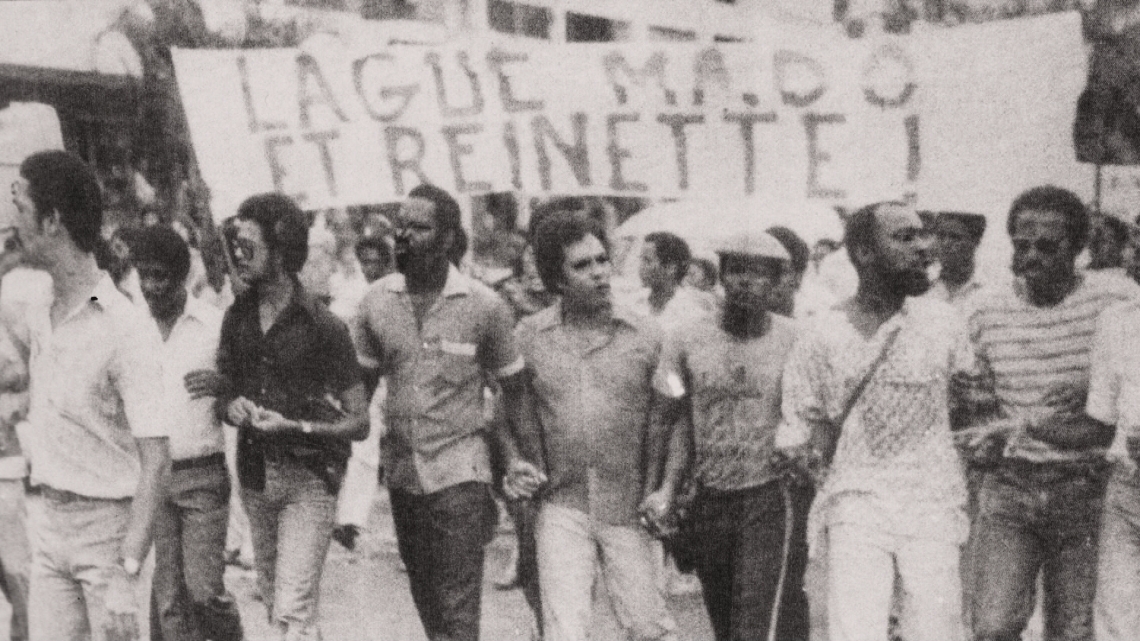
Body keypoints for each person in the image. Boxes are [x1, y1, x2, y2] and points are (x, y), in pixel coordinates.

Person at [781, 200, 974, 641]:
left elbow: (968, 409)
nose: (925, 248)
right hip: (855, 502)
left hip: (934, 504)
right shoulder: (821, 334)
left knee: (936, 629)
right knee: (855, 629)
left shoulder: (944, 324)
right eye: (906, 237)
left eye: (924, 235)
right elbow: (799, 429)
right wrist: (812, 461)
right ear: (865, 253)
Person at [353, 184, 537, 641]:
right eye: (402, 225)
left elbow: (515, 390)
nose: (404, 235)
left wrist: (520, 459)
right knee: (427, 597)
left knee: (457, 606)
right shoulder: (375, 301)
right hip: (402, 474)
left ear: (450, 237)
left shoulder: (485, 306)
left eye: (420, 227)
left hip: (461, 473)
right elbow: (359, 387)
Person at [3, 150, 171, 641]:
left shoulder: (125, 327)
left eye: (21, 208)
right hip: (50, 527)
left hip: (110, 535)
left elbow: (158, 461)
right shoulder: (37, 309)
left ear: (53, 220)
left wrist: (128, 570)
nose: (11, 223)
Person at [965, 186, 1138, 641]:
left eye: (1047, 246)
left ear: (1079, 249)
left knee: (1072, 630)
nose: (1031, 256)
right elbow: (974, 398)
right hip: (1011, 488)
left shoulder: (1116, 301)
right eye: (1022, 245)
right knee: (991, 626)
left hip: (1087, 489)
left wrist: (1093, 383)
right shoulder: (985, 310)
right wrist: (983, 430)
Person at [513, 208, 678, 641]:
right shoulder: (529, 337)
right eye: (582, 266)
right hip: (561, 505)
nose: (600, 273)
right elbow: (506, 415)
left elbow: (675, 416)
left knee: (649, 628)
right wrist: (516, 463)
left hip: (629, 508)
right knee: (565, 630)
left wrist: (666, 488)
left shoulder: (648, 336)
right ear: (556, 281)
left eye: (602, 260)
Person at [217, 193, 369, 641]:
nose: (238, 255)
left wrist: (297, 427)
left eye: (249, 246)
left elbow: (359, 422)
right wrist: (232, 406)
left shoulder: (324, 326)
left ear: (281, 250)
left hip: (309, 480)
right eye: (236, 245)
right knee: (274, 600)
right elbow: (224, 391)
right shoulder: (237, 318)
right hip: (255, 478)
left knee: (292, 608)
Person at [646, 230, 811, 641]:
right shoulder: (684, 338)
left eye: (758, 274)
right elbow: (670, 414)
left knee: (754, 623)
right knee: (723, 618)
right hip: (709, 497)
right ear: (721, 276)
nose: (744, 281)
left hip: (770, 496)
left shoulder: (797, 340)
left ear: (777, 284)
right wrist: (661, 488)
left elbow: (812, 415)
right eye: (735, 270)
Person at [131, 225, 243, 641]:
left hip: (204, 477)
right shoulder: (129, 327)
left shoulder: (215, 326)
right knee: (169, 598)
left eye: (160, 276)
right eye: (143, 275)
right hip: (153, 479)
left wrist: (226, 387)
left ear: (181, 276)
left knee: (204, 590)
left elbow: (242, 403)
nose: (150, 286)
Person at [331, 234, 394, 552]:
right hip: (365, 378)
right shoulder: (352, 291)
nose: (369, 268)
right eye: (364, 261)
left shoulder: (398, 290)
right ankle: (350, 521)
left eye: (375, 262)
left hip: (394, 377)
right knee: (363, 449)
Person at [636, 231, 713, 328]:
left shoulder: (692, 313)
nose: (641, 267)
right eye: (641, 259)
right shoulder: (635, 303)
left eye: (647, 260)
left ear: (670, 268)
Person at [926, 211, 989, 307]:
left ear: (975, 241)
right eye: (941, 236)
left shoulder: (989, 288)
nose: (946, 243)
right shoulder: (923, 284)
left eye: (955, 237)